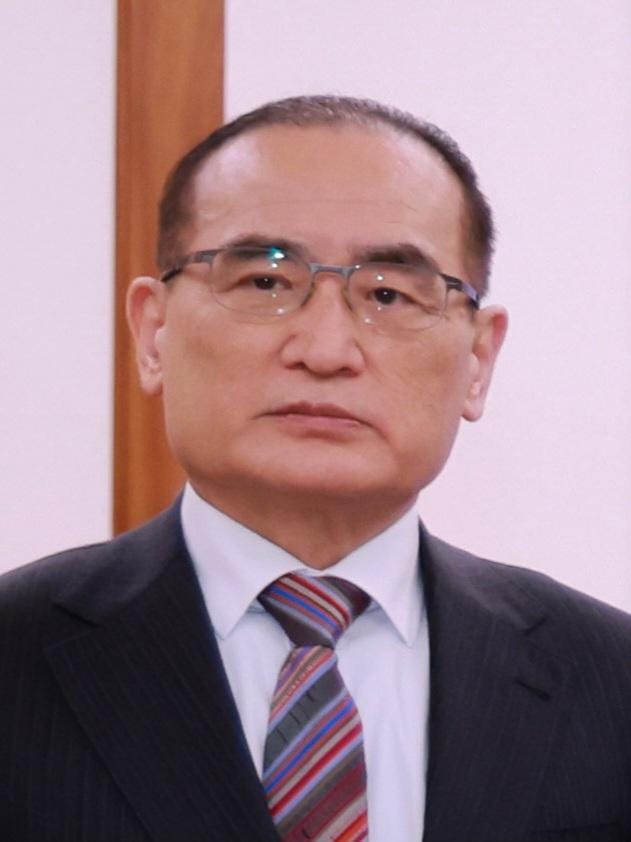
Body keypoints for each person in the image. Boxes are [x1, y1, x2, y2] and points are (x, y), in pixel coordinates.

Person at [1, 96, 630, 842]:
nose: (326, 350)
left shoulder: (609, 680)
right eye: (265, 282)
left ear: (478, 361)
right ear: (152, 331)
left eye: (389, 294)